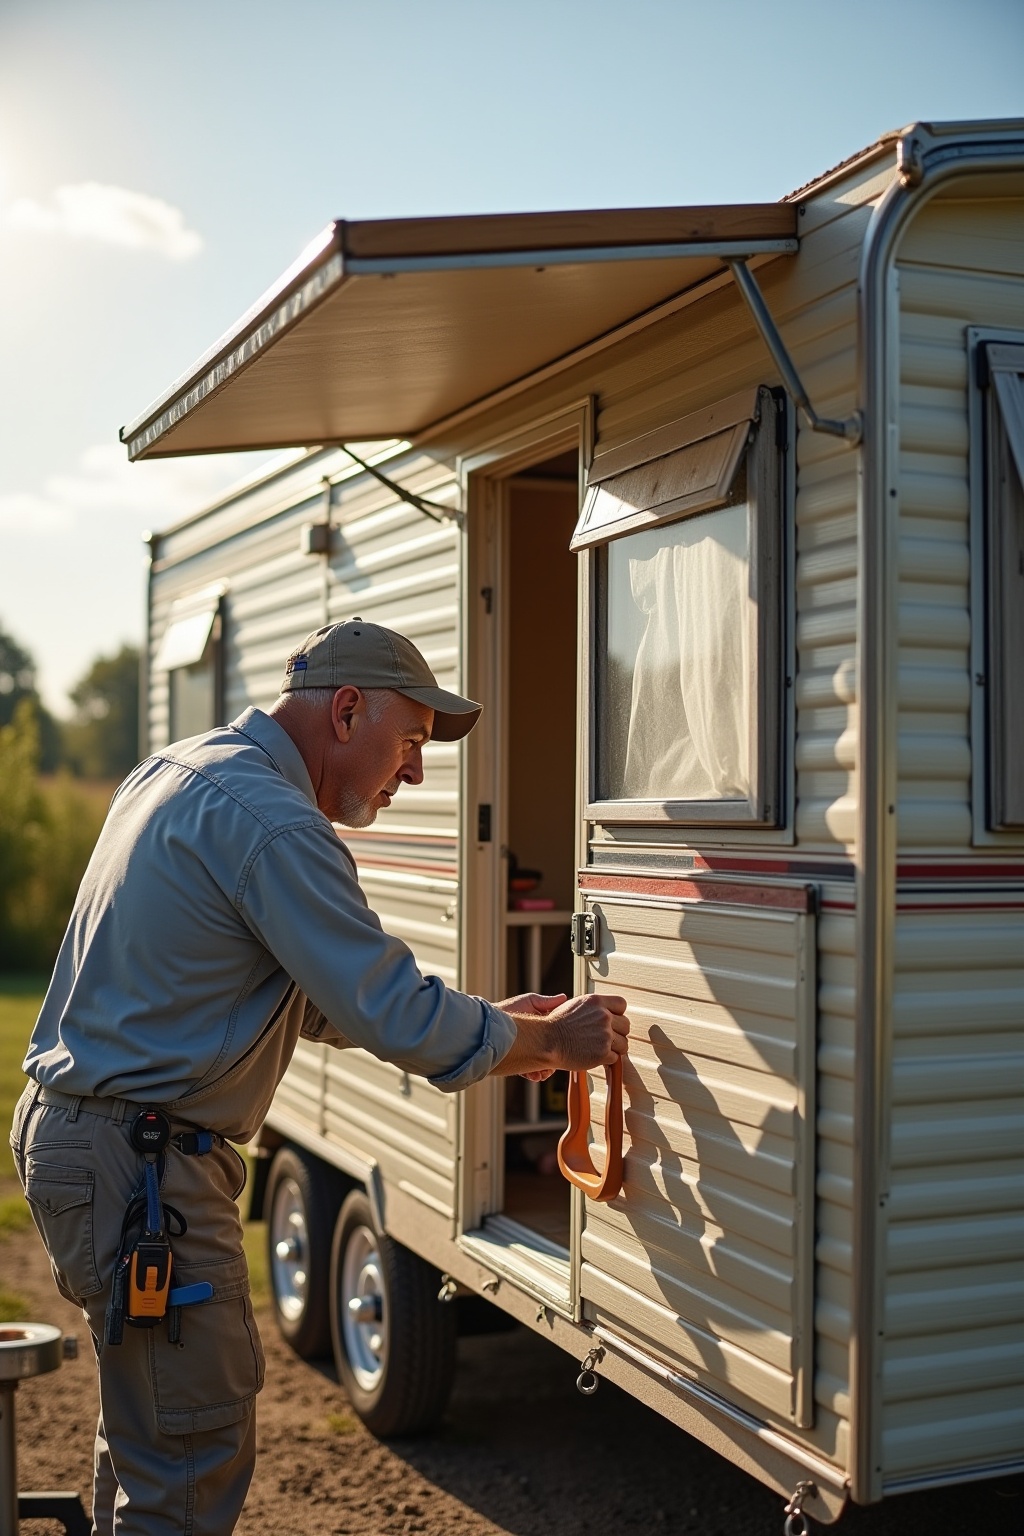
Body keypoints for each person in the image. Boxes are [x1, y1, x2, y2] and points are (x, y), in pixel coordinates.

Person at [10, 618, 629, 1536]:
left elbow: (305, 1001)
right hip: (142, 1170)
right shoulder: (274, 822)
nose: (414, 772)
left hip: (83, 1141)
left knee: (153, 1431)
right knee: (188, 1461)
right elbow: (394, 1014)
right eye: (411, 741)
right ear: (347, 710)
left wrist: (507, 1023)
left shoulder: (178, 771)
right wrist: (552, 1046)